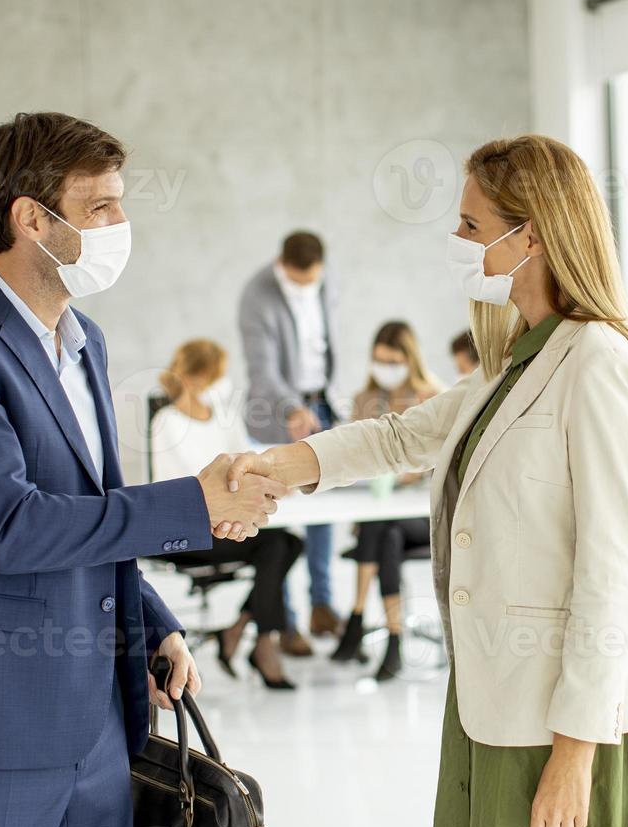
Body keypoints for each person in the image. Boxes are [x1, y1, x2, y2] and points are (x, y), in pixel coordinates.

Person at [215, 134, 628, 827]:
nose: (458, 243)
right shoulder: (513, 362)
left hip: (568, 723)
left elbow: (610, 572)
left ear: (529, 233)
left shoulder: (596, 361)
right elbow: (397, 438)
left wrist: (575, 751)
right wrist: (273, 466)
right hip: (494, 706)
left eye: (470, 225)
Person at [0, 112, 284, 827]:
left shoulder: (86, 340)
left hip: (103, 722)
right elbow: (14, 527)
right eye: (100, 207)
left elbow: (92, 510)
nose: (120, 226)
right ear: (33, 218)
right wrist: (192, 503)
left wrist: (157, 623)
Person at [151, 338, 304, 689]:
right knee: (278, 546)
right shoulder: (167, 422)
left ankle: (242, 631)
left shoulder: (225, 417)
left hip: (226, 519)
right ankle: (261, 644)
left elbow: (246, 463)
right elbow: (186, 485)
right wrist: (235, 491)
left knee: (289, 544)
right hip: (185, 530)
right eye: (218, 377)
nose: (224, 384)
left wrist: (277, 480)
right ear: (195, 378)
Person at [238, 230, 344, 655]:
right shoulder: (257, 294)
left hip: (322, 404)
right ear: (282, 265)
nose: (306, 288)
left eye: (311, 281)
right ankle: (286, 624)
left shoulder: (326, 279)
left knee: (327, 507)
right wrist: (291, 409)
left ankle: (321, 602)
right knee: (276, 518)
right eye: (298, 281)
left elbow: (331, 346)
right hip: (275, 413)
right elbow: (261, 370)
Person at [329, 321, 445, 679]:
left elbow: (441, 458)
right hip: (380, 516)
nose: (385, 369)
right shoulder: (365, 400)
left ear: (410, 359)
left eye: (393, 361)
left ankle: (357, 616)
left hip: (422, 516)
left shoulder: (433, 396)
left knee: (382, 528)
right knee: (386, 533)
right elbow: (351, 453)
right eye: (379, 360)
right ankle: (393, 639)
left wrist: (404, 473)